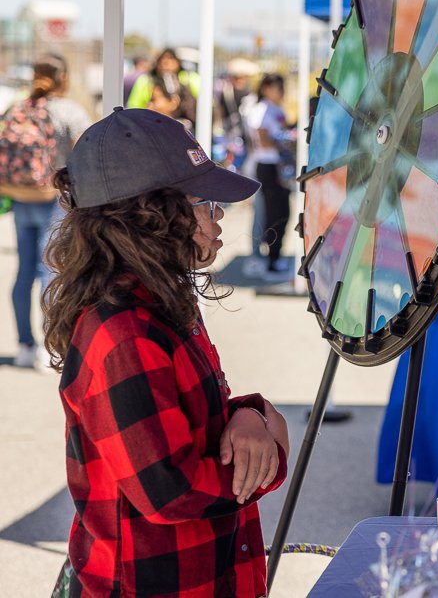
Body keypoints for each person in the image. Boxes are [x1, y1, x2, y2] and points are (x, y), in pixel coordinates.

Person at [44, 108, 289, 597]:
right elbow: (169, 490)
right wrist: (271, 461)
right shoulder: (123, 332)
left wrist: (247, 415)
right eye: (204, 203)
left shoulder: (163, 302)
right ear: (149, 215)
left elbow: (190, 418)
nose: (217, 217)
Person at [0, 54, 90, 369]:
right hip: (55, 197)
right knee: (49, 272)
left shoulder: (16, 107)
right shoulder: (69, 110)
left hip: (21, 196)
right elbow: (85, 155)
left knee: (24, 272)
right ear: (63, 78)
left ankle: (25, 346)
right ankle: (50, 346)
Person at [242, 73, 293, 278]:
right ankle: (270, 259)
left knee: (283, 213)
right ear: (264, 89)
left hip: (280, 166)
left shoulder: (278, 109)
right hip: (267, 166)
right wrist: (286, 142)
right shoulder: (260, 110)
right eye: (274, 86)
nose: (279, 91)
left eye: (281, 86)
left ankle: (275, 255)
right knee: (272, 215)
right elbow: (263, 141)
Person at [127, 48, 200, 110]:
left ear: (178, 63)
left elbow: (204, 103)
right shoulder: (146, 80)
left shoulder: (189, 79)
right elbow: (134, 106)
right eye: (162, 60)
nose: (165, 63)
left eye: (170, 59)